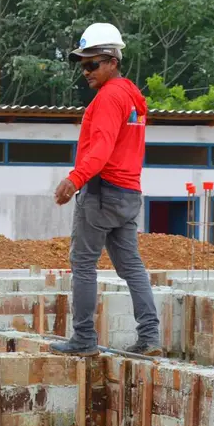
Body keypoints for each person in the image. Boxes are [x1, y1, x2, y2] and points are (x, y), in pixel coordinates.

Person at [50, 23, 161, 358]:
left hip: (102, 192)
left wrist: (75, 179)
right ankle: (150, 337)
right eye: (83, 65)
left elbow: (100, 148)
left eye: (92, 63)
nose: (86, 72)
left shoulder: (110, 97)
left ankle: (83, 339)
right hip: (129, 193)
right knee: (131, 266)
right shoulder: (130, 96)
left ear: (113, 60)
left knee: (82, 264)